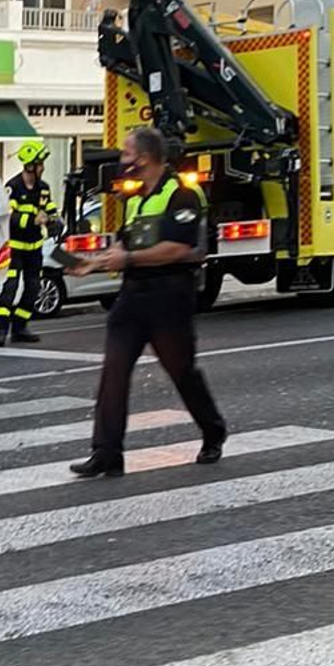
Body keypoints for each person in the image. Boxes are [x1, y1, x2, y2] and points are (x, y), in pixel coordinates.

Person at [65, 124, 226, 479]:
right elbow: (126, 243)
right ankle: (106, 453)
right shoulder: (135, 197)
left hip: (170, 296)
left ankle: (213, 430)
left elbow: (177, 248)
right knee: (114, 371)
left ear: (145, 157)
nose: (122, 160)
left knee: (181, 371)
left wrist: (129, 259)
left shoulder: (182, 195)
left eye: (126, 153)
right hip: (133, 296)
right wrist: (93, 264)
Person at [0, 138, 53, 348]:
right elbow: (9, 217)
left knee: (33, 288)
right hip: (15, 249)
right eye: (40, 164)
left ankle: (20, 328)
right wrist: (33, 220)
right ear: (30, 166)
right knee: (10, 288)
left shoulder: (43, 188)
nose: (43, 168)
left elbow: (49, 209)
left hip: (34, 248)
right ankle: (0, 330)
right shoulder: (13, 187)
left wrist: (55, 221)